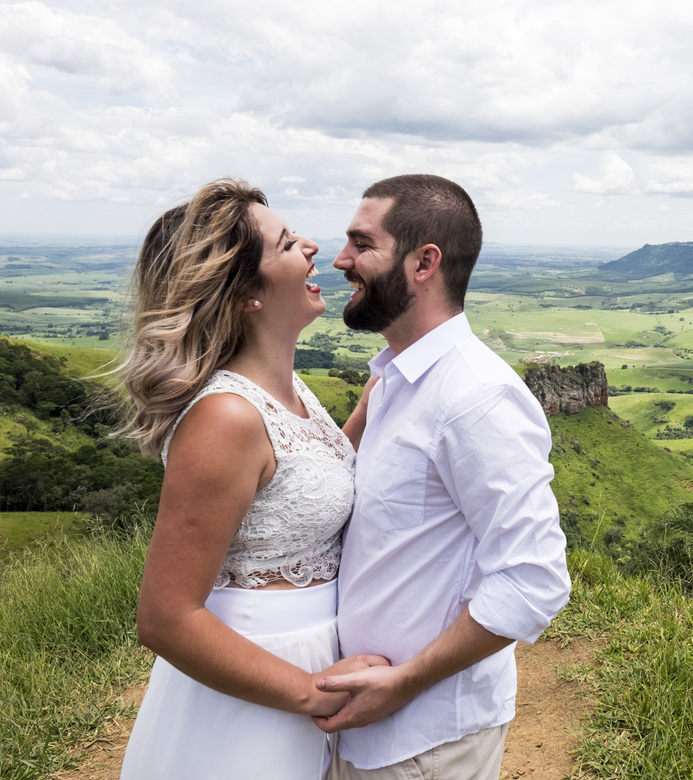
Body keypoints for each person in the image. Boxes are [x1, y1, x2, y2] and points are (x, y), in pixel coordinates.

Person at [118, 178, 385, 780]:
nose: (314, 247)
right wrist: (312, 693)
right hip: (261, 681)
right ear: (246, 293)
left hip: (305, 661)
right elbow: (165, 617)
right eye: (288, 243)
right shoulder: (225, 417)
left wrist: (365, 420)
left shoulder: (286, 392)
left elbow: (290, 488)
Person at [316, 174, 572, 779]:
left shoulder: (474, 396)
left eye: (361, 243)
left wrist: (404, 683)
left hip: (423, 739)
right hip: (368, 724)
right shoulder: (397, 383)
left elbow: (534, 579)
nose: (340, 260)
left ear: (423, 262)